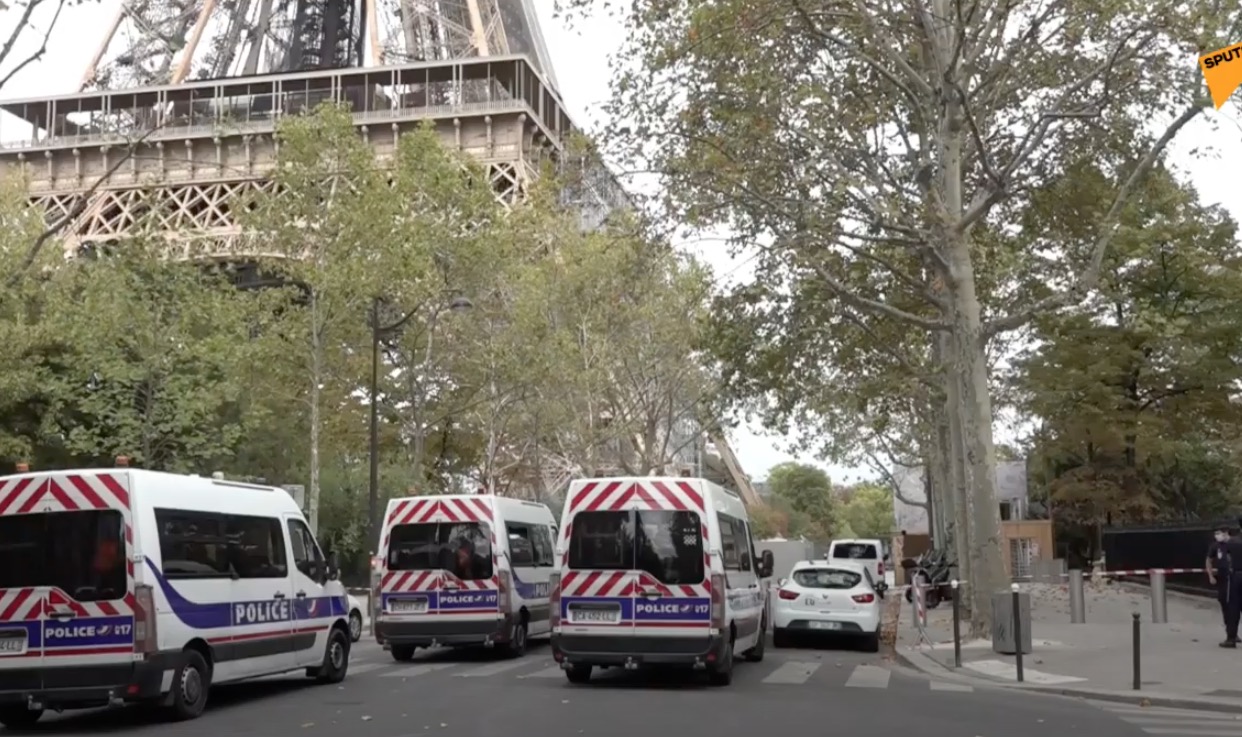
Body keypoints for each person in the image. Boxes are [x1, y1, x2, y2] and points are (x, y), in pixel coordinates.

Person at [1207, 524, 1232, 638]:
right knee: (1224, 604)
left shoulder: (1234, 544)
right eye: (1215, 533)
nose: (1217, 536)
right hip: (1222, 578)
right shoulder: (1215, 546)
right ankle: (1231, 632)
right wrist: (1211, 575)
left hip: (1234, 577)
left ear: (1226, 532)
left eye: (1219, 533)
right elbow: (1209, 560)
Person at [1222, 521, 1242, 648]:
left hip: (1236, 575)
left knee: (1233, 607)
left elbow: (1227, 558)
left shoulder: (1232, 542)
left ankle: (1231, 638)